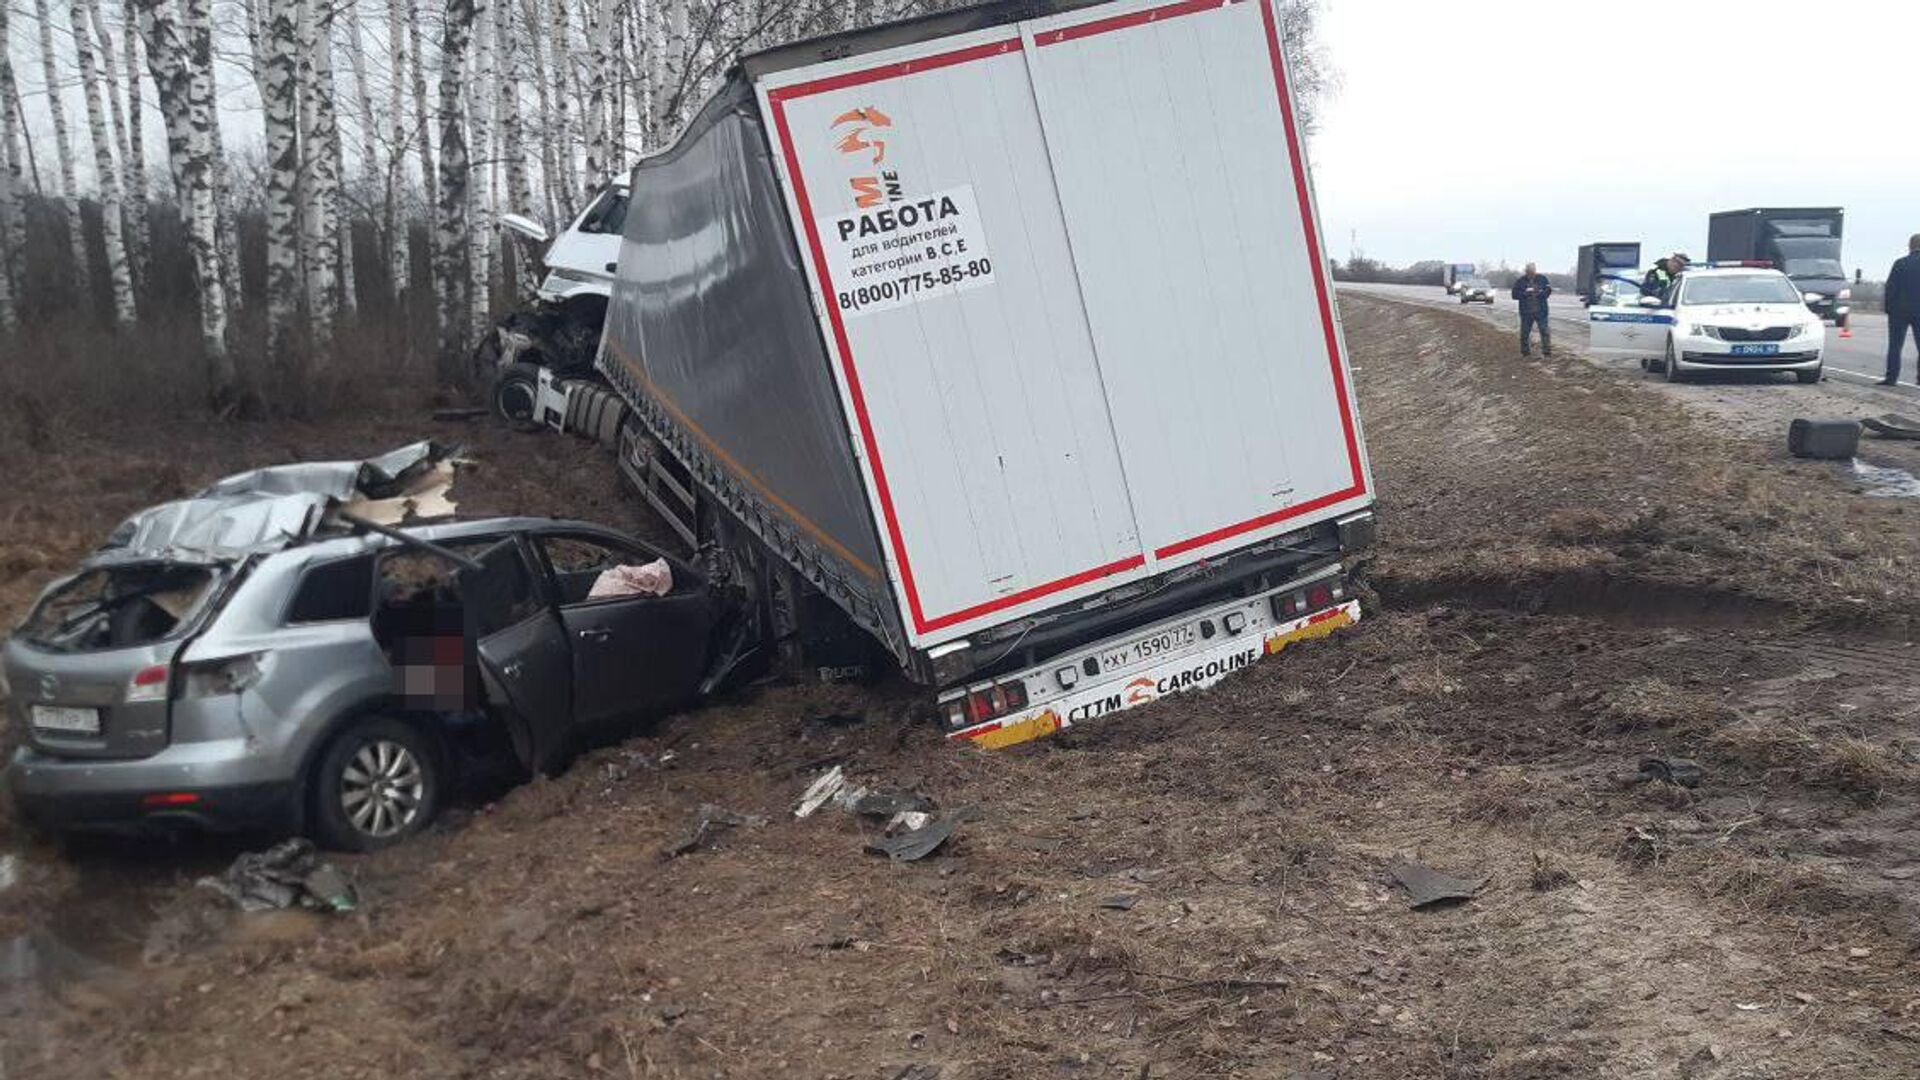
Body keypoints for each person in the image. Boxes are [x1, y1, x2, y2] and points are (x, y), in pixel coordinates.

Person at [1882, 234, 1920, 386]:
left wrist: (1889, 308)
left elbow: (1890, 287)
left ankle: (1891, 378)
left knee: (1895, 346)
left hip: (1899, 311)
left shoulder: (1900, 263)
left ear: (1910, 245)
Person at [1511, 262, 1553, 357]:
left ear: (1535, 270)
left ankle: (1547, 352)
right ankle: (1525, 352)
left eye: (1532, 271)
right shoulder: (1520, 281)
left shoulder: (1542, 279)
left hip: (1541, 311)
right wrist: (1525, 293)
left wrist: (1541, 293)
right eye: (1529, 271)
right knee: (1524, 333)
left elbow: (1548, 290)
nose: (1531, 273)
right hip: (1526, 312)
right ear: (1526, 271)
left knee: (1544, 331)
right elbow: (1514, 295)